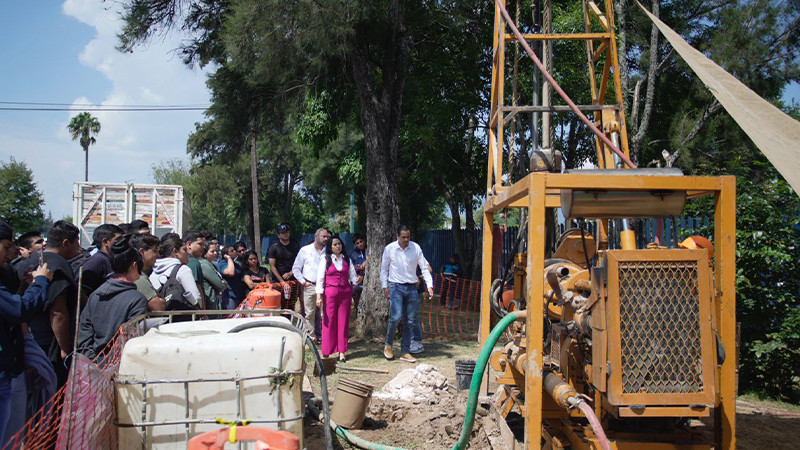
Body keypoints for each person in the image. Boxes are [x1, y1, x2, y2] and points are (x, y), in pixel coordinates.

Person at [15, 220, 81, 387]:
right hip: (50, 347)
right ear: (66, 243)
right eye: (76, 242)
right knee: (51, 400)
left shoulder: (30, 261)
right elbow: (58, 312)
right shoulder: (58, 266)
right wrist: (65, 349)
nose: (78, 247)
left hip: (30, 341)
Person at [76, 235, 148, 360]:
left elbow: (84, 329)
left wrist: (93, 360)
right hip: (121, 362)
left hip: (93, 362)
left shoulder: (95, 294)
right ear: (135, 265)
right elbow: (131, 338)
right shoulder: (137, 299)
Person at [380, 225, 433, 363]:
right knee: (396, 317)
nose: (406, 240)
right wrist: (385, 286)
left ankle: (405, 351)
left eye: (408, 237)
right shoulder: (390, 249)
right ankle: (388, 345)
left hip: (411, 288)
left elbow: (424, 267)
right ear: (397, 236)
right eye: (403, 237)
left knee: (410, 320)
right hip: (396, 286)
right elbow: (384, 269)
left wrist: (430, 285)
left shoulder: (416, 248)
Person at [315, 236, 359, 362]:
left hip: (345, 293)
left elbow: (354, 278)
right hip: (330, 293)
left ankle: (342, 351)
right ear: (330, 247)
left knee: (343, 321)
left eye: (339, 244)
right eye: (335, 244)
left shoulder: (347, 260)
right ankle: (327, 351)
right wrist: (319, 297)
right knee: (329, 321)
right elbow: (320, 279)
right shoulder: (325, 260)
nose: (338, 246)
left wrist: (358, 280)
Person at [292, 228, 331, 341]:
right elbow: (296, 268)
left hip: (325, 286)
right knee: (310, 313)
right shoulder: (305, 250)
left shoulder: (329, 251)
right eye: (324, 236)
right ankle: (311, 337)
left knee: (325, 313)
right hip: (309, 286)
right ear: (316, 236)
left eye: (327, 237)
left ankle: (326, 337)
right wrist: (303, 282)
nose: (326, 239)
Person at [149, 235, 202, 309]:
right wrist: (198, 307)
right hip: (183, 318)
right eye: (184, 250)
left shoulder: (152, 272)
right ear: (175, 251)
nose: (187, 254)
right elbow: (196, 297)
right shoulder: (183, 270)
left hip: (160, 318)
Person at [76, 224, 124, 299]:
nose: (122, 243)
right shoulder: (96, 262)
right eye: (118, 240)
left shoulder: (110, 260)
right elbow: (81, 292)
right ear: (105, 242)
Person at [268, 223, 301, 310]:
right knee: (279, 304)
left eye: (287, 232)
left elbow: (299, 262)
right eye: (283, 232)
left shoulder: (295, 244)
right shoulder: (274, 247)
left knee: (291, 304)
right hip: (278, 281)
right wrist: (282, 281)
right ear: (279, 235)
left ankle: (290, 321)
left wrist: (291, 273)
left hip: (293, 279)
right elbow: (272, 266)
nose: (285, 234)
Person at [129, 233, 166, 312]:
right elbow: (159, 308)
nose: (157, 255)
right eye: (154, 251)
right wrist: (161, 300)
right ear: (142, 252)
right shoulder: (139, 278)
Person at [199, 242, 226, 312]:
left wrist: (223, 282)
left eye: (216, 251)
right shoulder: (204, 265)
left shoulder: (213, 265)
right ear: (205, 253)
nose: (215, 253)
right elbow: (220, 285)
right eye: (212, 251)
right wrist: (222, 283)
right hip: (210, 303)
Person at [183, 231, 206, 309]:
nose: (203, 247)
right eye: (200, 244)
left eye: (203, 244)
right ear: (189, 245)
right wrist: (203, 312)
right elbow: (197, 289)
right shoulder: (193, 263)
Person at [349, 234, 367, 315]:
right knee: (358, 304)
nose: (360, 244)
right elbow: (351, 269)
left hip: (371, 281)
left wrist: (367, 262)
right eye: (357, 243)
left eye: (361, 241)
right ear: (354, 245)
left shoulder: (370, 250)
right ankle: (358, 317)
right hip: (358, 282)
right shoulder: (352, 254)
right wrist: (360, 267)